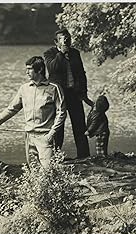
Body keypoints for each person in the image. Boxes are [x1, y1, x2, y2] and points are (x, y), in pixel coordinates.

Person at [0, 56, 67, 169]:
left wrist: (51, 134)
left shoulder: (54, 88)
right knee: (33, 171)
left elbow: (61, 112)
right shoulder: (24, 88)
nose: (26, 72)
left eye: (29, 69)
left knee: (48, 172)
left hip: (45, 137)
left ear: (40, 69)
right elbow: (11, 109)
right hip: (29, 137)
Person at [44, 28, 93, 159]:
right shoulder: (49, 53)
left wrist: (84, 93)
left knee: (80, 126)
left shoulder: (75, 53)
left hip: (75, 94)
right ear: (56, 42)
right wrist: (61, 53)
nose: (67, 41)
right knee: (58, 127)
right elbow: (52, 68)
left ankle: (84, 157)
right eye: (63, 39)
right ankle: (55, 158)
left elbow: (82, 74)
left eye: (68, 38)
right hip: (58, 96)